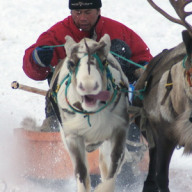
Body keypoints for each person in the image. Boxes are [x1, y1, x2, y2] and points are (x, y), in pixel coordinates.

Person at [23, 0, 152, 184]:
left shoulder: (118, 31)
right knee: (55, 129)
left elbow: (145, 62)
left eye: (88, 12)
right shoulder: (57, 34)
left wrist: (136, 70)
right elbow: (32, 66)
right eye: (78, 12)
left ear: (98, 10)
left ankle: (128, 165)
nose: (82, 18)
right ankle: (57, 171)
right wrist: (37, 59)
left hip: (112, 104)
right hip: (63, 107)